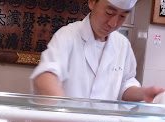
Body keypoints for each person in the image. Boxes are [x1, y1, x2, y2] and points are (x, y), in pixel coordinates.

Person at [30, 0, 164, 103]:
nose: (113, 23)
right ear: (92, 2)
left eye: (122, 16)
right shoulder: (67, 35)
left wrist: (143, 93)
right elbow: (45, 76)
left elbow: (124, 85)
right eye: (109, 13)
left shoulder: (122, 44)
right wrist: (67, 117)